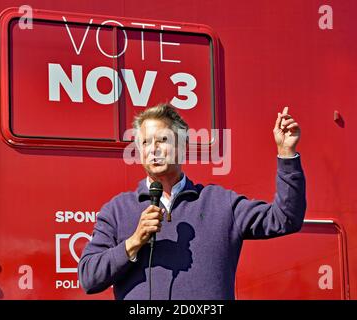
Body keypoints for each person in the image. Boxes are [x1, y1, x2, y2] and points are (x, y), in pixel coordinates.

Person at [78, 103, 306, 300]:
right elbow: (89, 277)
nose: (153, 150)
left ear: (182, 146)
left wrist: (286, 154)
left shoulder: (220, 203)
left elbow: (285, 218)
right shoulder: (117, 210)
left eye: (162, 140)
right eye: (146, 143)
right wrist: (134, 242)